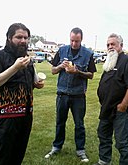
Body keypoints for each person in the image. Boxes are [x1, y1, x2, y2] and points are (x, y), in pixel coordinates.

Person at [0, 23, 44, 165]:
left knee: (17, 157)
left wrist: (36, 84)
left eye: (26, 37)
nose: (23, 41)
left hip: (25, 117)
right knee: (2, 159)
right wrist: (15, 67)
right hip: (5, 118)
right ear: (9, 38)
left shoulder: (27, 60)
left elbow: (28, 83)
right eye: (19, 37)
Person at [44, 27, 97, 162]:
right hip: (62, 93)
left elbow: (91, 75)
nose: (74, 44)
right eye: (72, 40)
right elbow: (53, 70)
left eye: (77, 41)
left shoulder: (88, 54)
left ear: (81, 40)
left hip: (78, 95)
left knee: (79, 124)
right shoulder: (62, 51)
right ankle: (56, 147)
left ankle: (80, 150)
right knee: (60, 122)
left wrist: (77, 71)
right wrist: (61, 66)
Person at [93, 33, 128, 165]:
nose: (110, 47)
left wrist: (123, 105)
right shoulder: (109, 62)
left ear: (121, 45)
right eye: (108, 44)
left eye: (113, 44)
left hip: (120, 109)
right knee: (103, 136)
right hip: (106, 108)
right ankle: (104, 161)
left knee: (121, 141)